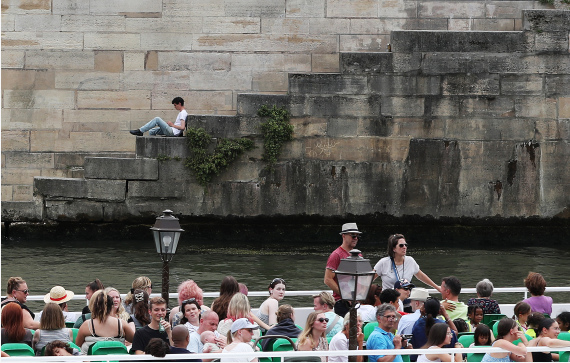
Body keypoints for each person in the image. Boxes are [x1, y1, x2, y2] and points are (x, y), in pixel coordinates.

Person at [373, 234, 441, 293]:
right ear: (394, 249)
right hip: (389, 301)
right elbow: (369, 279)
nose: (404, 247)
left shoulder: (410, 261)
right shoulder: (383, 262)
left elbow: (421, 276)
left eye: (406, 245)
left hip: (405, 299)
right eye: (401, 245)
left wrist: (437, 287)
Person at [76, 289, 134, 354]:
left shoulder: (87, 325)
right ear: (112, 307)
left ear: (94, 308)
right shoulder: (122, 324)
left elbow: (77, 346)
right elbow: (135, 341)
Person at [325, 222, 362, 316]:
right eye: (353, 236)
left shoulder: (359, 255)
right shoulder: (336, 255)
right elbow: (328, 279)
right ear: (343, 236)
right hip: (342, 302)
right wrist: (346, 295)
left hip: (357, 301)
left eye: (358, 236)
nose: (356, 238)